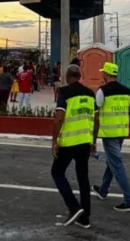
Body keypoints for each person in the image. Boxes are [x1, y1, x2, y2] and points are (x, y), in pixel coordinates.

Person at [51, 65, 94, 229]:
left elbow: (58, 118)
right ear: (80, 76)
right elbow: (96, 120)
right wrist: (94, 140)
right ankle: (85, 217)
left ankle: (74, 207)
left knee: (57, 172)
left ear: (68, 76)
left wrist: (54, 141)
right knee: (83, 177)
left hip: (69, 141)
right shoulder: (90, 94)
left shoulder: (64, 92)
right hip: (85, 141)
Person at [91, 62, 130, 212]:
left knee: (116, 164)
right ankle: (103, 190)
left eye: (103, 72)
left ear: (107, 74)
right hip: (121, 132)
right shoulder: (127, 91)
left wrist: (93, 137)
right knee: (112, 161)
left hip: (109, 133)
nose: (102, 75)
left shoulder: (102, 91)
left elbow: (96, 114)